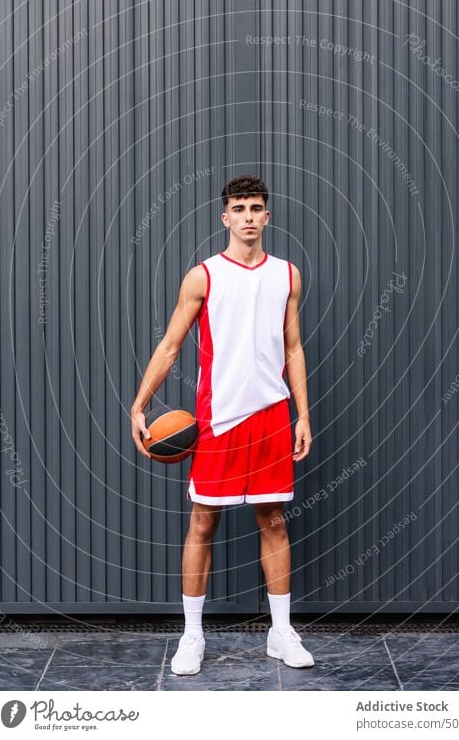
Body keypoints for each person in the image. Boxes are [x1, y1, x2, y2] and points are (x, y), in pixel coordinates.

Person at [131, 175, 313, 675]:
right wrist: (139, 405)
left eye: (257, 208)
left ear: (267, 216)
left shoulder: (288, 275)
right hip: (218, 420)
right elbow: (170, 346)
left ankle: (281, 632)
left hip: (272, 416)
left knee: (273, 523)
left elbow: (293, 348)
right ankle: (192, 637)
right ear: (225, 218)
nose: (249, 216)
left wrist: (303, 414)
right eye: (240, 208)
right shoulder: (203, 276)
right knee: (202, 524)